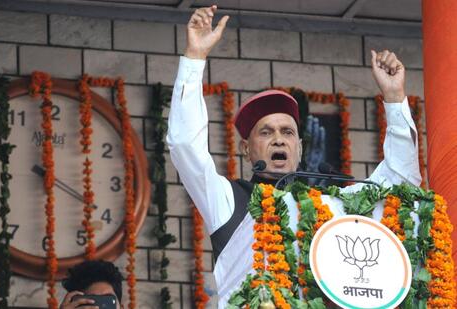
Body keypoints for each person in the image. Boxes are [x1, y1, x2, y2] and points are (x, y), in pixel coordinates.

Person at [166, 5, 421, 308]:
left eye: (287, 133)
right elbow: (185, 146)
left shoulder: (332, 204)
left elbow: (400, 183)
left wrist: (394, 98)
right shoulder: (229, 200)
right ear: (245, 149)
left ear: (299, 147)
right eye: (266, 132)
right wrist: (195, 58)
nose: (278, 139)